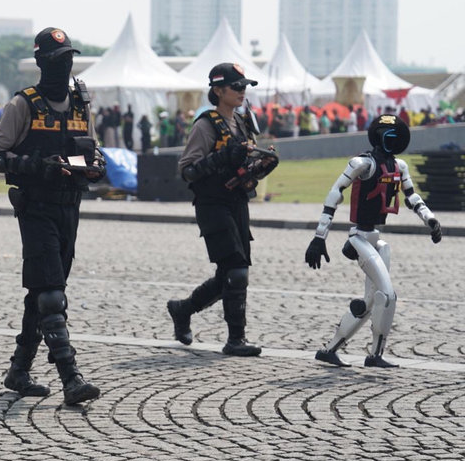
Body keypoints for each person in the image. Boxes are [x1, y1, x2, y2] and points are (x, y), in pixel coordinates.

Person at [0, 27, 105, 406]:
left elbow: (93, 146)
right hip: (35, 207)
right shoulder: (23, 104)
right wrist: (39, 166)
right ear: (40, 63)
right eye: (56, 60)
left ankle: (19, 370)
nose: (64, 65)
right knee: (51, 295)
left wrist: (96, 164)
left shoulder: (83, 102)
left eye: (68, 58)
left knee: (44, 290)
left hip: (71, 205)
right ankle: (71, 378)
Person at [305, 114, 441, 368]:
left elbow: (411, 196)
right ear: (379, 137)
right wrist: (319, 236)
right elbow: (335, 193)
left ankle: (331, 350)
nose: (394, 141)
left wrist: (429, 219)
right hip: (358, 237)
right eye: (389, 136)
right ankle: (374, 355)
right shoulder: (361, 164)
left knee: (370, 302)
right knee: (388, 295)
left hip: (375, 239)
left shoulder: (399, 166)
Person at [167, 62, 278, 357]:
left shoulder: (241, 123)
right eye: (237, 87)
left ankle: (183, 309)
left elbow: (245, 169)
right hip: (212, 204)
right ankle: (235, 339)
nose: (243, 92)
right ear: (218, 90)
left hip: (237, 202)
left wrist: (262, 166)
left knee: (229, 273)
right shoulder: (205, 125)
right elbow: (188, 171)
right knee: (237, 272)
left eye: (245, 87)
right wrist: (222, 157)